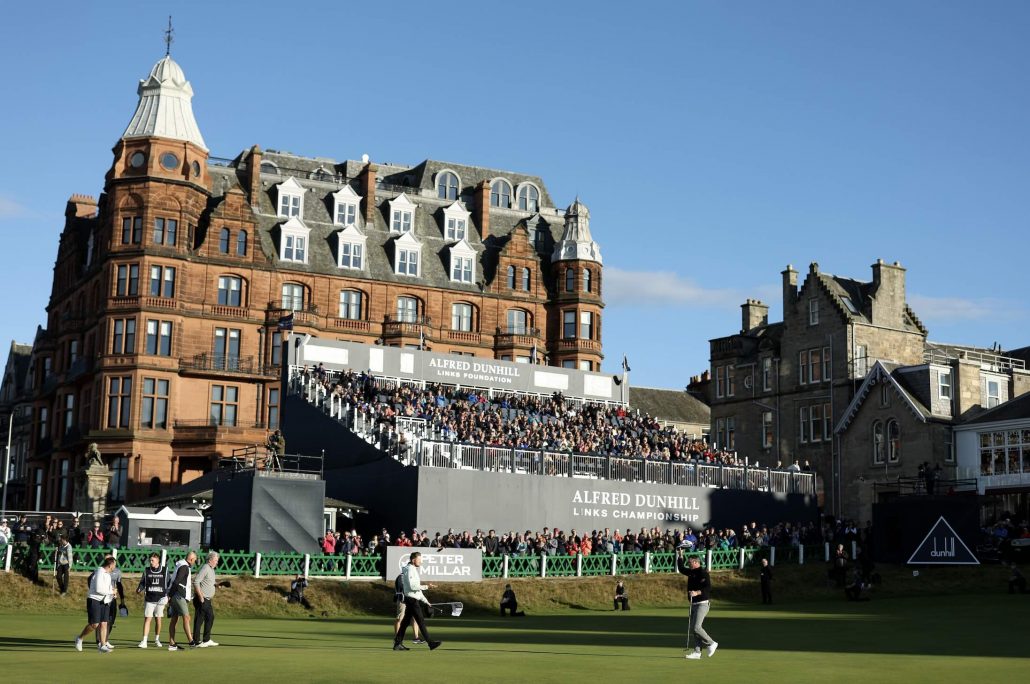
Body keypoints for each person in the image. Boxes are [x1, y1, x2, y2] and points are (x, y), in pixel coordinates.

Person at [393, 552, 441, 651]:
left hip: (412, 598)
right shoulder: (410, 569)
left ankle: (397, 643)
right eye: (419, 560)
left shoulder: (412, 569)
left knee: (406, 622)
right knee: (420, 621)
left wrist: (426, 601)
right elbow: (413, 587)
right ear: (413, 560)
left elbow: (417, 590)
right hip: (411, 600)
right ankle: (430, 643)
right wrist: (427, 586)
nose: (421, 562)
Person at [677, 552, 718, 660]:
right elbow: (681, 569)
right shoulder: (691, 572)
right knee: (694, 629)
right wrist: (680, 556)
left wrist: (697, 592)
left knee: (696, 627)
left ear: (695, 562)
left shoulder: (703, 572)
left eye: (689, 562)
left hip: (703, 603)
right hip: (693, 604)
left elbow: (708, 588)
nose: (688, 563)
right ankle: (697, 652)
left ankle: (712, 643)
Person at [75, 556, 116, 653]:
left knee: (104, 623)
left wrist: (112, 594)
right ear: (110, 565)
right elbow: (99, 589)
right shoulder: (100, 572)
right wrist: (111, 591)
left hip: (104, 601)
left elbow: (108, 590)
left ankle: (103, 645)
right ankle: (79, 638)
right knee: (94, 624)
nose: (115, 567)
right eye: (114, 565)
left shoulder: (108, 575)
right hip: (94, 600)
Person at [166, 551, 197, 651]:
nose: (194, 562)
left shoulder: (182, 565)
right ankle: (191, 641)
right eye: (194, 560)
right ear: (191, 559)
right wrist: (170, 595)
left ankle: (172, 643)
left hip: (175, 594)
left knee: (174, 619)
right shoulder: (184, 567)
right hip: (178, 595)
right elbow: (176, 581)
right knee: (186, 617)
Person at [137, 553, 167, 648]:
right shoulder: (146, 570)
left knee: (158, 619)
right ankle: (144, 641)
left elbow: (168, 583)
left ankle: (157, 639)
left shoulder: (164, 570)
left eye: (152, 560)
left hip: (160, 599)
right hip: (149, 599)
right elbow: (142, 582)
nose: (151, 562)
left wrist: (168, 596)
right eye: (150, 560)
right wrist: (139, 589)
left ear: (158, 561)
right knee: (147, 619)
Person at [192, 551, 220, 647]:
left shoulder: (211, 569)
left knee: (210, 617)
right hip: (202, 599)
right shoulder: (205, 568)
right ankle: (196, 641)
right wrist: (200, 596)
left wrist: (217, 584)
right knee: (199, 619)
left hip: (207, 600)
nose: (217, 562)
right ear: (210, 560)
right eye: (216, 560)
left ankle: (206, 640)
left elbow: (209, 580)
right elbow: (196, 582)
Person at [394, 568, 422, 644]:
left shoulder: (411, 577)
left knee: (415, 618)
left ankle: (416, 638)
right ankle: (397, 638)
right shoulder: (401, 577)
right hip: (403, 600)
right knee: (400, 618)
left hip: (411, 600)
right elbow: (401, 588)